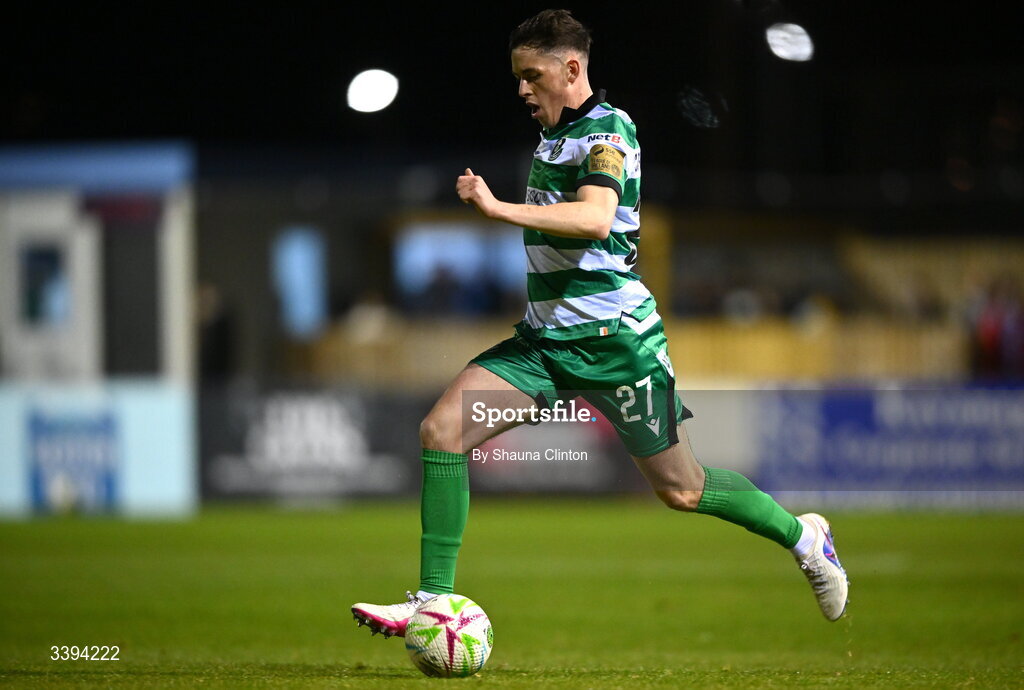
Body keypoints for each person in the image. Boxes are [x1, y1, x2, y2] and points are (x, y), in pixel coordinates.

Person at [352, 8, 848, 636]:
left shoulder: (609, 134)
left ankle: (805, 539)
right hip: (544, 346)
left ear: (572, 68)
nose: (523, 90)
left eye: (532, 75)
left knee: (682, 491)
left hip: (617, 348)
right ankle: (432, 600)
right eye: (517, 77)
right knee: (442, 429)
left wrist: (495, 207)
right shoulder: (553, 139)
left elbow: (593, 219)